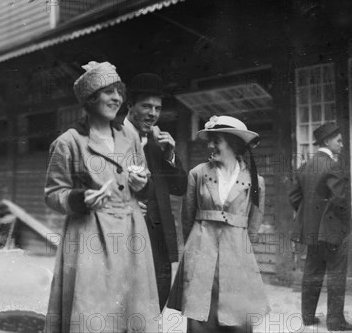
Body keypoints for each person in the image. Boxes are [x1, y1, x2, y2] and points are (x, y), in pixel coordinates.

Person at [43, 61, 160, 333]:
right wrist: (79, 198)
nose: (117, 99)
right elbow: (53, 193)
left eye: (119, 92)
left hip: (131, 233)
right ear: (90, 98)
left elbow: (144, 179)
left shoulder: (128, 134)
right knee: (93, 312)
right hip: (89, 234)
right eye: (108, 92)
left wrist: (141, 183)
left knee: (132, 310)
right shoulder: (69, 142)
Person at [167, 115, 269, 332]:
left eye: (217, 141)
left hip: (237, 257)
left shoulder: (255, 181)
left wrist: (241, 253)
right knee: (200, 318)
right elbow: (187, 218)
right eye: (209, 141)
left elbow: (254, 224)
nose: (210, 146)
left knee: (236, 320)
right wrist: (194, 250)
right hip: (201, 252)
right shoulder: (198, 174)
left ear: (234, 144)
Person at [124, 73, 187, 310]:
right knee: (127, 304)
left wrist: (169, 154)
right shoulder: (112, 137)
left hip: (159, 234)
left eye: (158, 108)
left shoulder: (157, 141)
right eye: (146, 106)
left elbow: (180, 188)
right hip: (124, 233)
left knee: (157, 300)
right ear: (130, 105)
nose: (152, 113)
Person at [288, 123, 352, 331]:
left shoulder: (305, 166)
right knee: (336, 273)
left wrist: (310, 215)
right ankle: (335, 322)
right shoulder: (332, 166)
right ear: (327, 141)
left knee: (312, 271)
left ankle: (308, 317)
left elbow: (294, 197)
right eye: (338, 140)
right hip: (333, 231)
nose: (342, 144)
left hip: (311, 231)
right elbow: (340, 200)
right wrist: (345, 225)